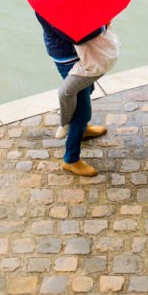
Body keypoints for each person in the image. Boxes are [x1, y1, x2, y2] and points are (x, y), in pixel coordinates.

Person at [35, 12, 108, 176]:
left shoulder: (52, 0)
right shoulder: (52, 9)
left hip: (75, 55)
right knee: (81, 110)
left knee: (89, 89)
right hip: (69, 60)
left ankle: (82, 130)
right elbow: (78, 37)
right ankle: (71, 159)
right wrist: (103, 24)